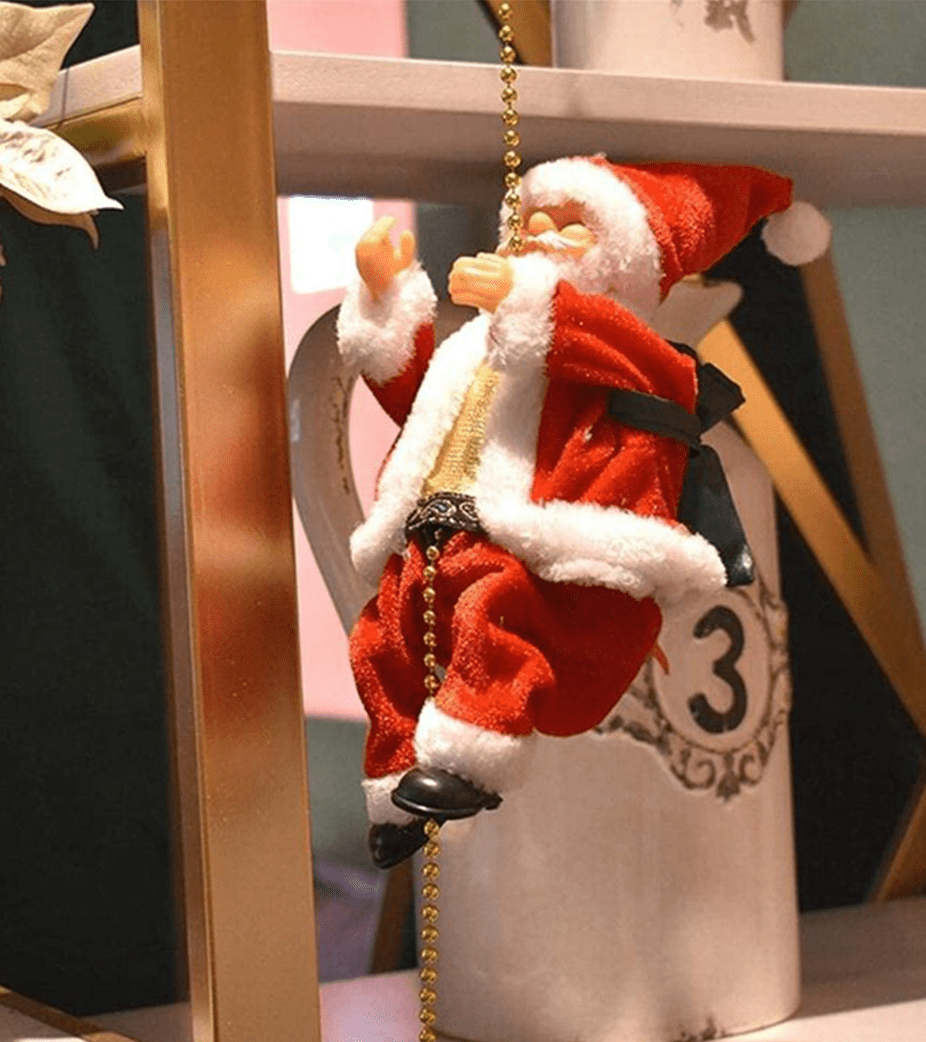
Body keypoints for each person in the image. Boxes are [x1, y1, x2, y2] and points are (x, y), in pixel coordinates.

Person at [337, 157, 829, 866]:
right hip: (431, 531)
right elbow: (417, 404)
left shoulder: (620, 344)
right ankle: (397, 787)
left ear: (626, 260)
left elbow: (644, 368)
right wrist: (385, 301)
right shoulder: (474, 345)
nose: (541, 234)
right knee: (381, 647)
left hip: (520, 541)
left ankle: (473, 759)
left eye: (571, 227)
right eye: (531, 222)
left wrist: (531, 302)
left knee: (492, 620)